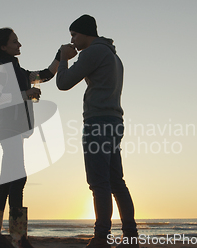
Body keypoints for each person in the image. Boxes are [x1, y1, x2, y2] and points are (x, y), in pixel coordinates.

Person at [56, 15, 138, 248]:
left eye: (74, 35)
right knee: (116, 182)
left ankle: (101, 237)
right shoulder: (113, 55)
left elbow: (63, 82)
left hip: (97, 122)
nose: (72, 39)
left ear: (85, 33)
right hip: (114, 121)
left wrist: (63, 58)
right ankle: (131, 236)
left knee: (99, 183)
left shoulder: (92, 53)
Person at [0, 27, 59, 248]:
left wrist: (59, 58)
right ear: (3, 46)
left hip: (14, 128)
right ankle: (17, 237)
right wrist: (25, 94)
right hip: (7, 127)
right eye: (15, 42)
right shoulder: (0, 68)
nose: (20, 45)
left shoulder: (17, 70)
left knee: (9, 180)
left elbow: (43, 76)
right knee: (17, 178)